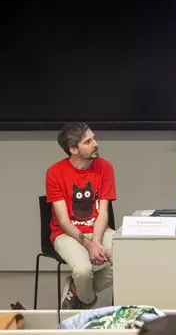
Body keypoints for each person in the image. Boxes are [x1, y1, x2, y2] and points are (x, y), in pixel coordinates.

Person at [46, 122, 117, 309]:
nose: (95, 143)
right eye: (88, 141)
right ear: (73, 149)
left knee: (131, 259)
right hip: (65, 233)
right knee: (84, 271)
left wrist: (97, 241)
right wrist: (89, 245)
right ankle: (86, 301)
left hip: (98, 230)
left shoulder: (105, 167)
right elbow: (63, 221)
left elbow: (103, 213)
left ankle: (77, 291)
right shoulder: (55, 172)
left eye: (93, 138)